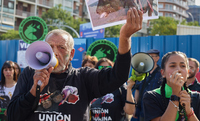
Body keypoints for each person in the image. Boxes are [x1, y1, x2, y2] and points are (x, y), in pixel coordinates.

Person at [7, 7, 143, 121]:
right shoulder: (31, 73)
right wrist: (34, 90)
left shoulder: (83, 77)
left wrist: (125, 37)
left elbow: (118, 76)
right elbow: (13, 115)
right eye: (50, 47)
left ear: (71, 54)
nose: (54, 52)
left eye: (61, 47)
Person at [143, 51, 200, 121]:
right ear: (163, 73)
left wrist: (188, 110)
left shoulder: (196, 97)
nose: (178, 70)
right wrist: (175, 96)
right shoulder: (152, 96)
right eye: (172, 66)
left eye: (183, 66)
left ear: (187, 72)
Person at [134, 49, 162, 121]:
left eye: (152, 56)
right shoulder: (141, 72)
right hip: (143, 111)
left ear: (157, 58)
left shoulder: (162, 73)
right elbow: (137, 90)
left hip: (157, 111)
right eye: (148, 56)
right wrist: (135, 107)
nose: (149, 58)